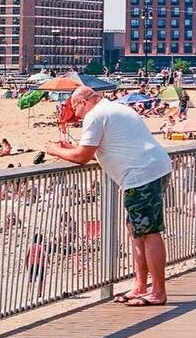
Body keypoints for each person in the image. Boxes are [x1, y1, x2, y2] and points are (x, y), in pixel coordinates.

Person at [42, 86, 173, 308]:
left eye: (76, 109)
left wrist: (56, 151)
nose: (77, 115)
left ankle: (158, 291)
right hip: (152, 169)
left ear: (83, 102)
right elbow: (105, 149)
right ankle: (141, 286)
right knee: (136, 231)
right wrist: (71, 148)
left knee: (149, 232)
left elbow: (82, 157)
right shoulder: (114, 108)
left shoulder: (95, 115)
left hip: (141, 175)